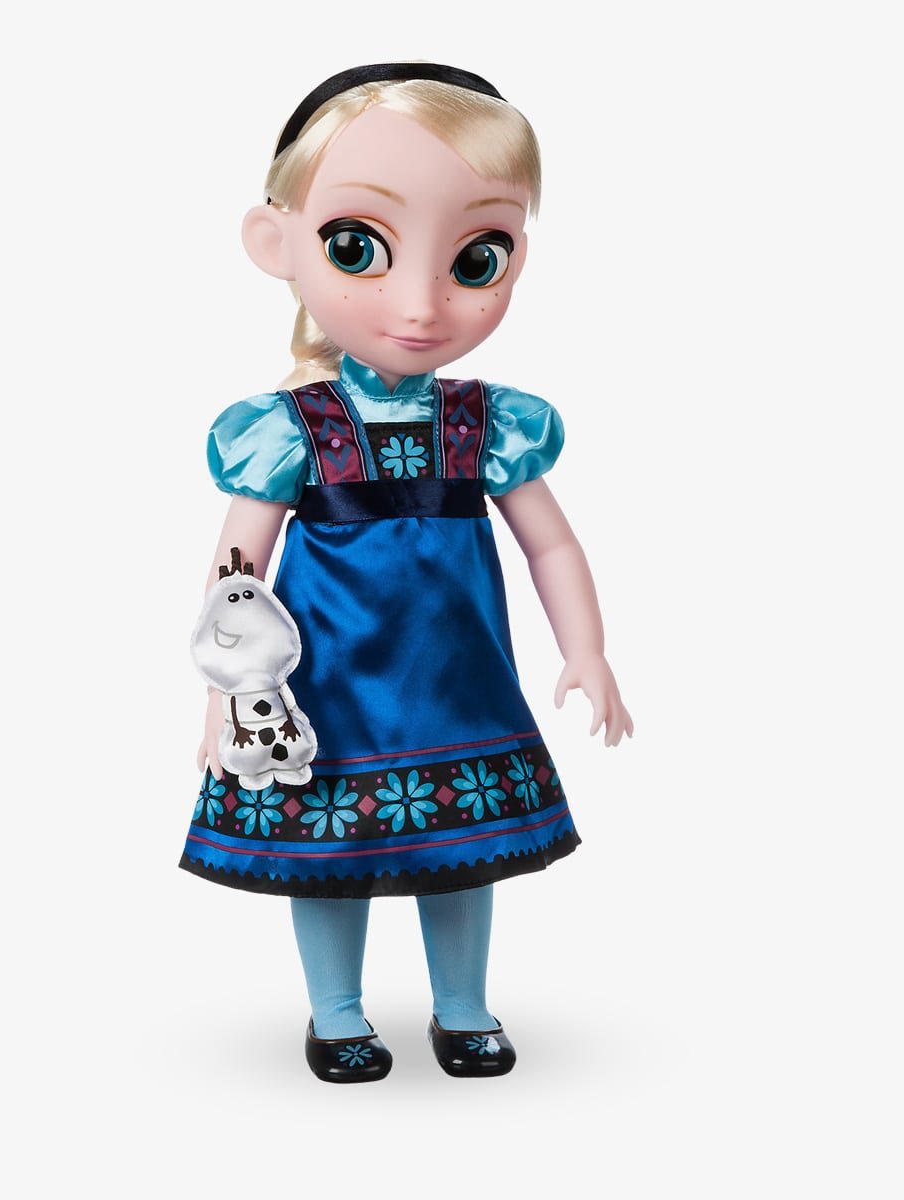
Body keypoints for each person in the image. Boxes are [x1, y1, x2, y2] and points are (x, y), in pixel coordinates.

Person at [179, 63, 633, 1083]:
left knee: (463, 848)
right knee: (326, 855)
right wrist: (225, 690)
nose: (420, 303)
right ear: (278, 245)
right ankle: (336, 1012)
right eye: (359, 249)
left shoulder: (489, 424)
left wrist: (588, 650)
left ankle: (462, 1006)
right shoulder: (290, 430)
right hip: (327, 689)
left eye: (475, 257)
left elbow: (551, 543)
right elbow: (239, 570)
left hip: (456, 688)